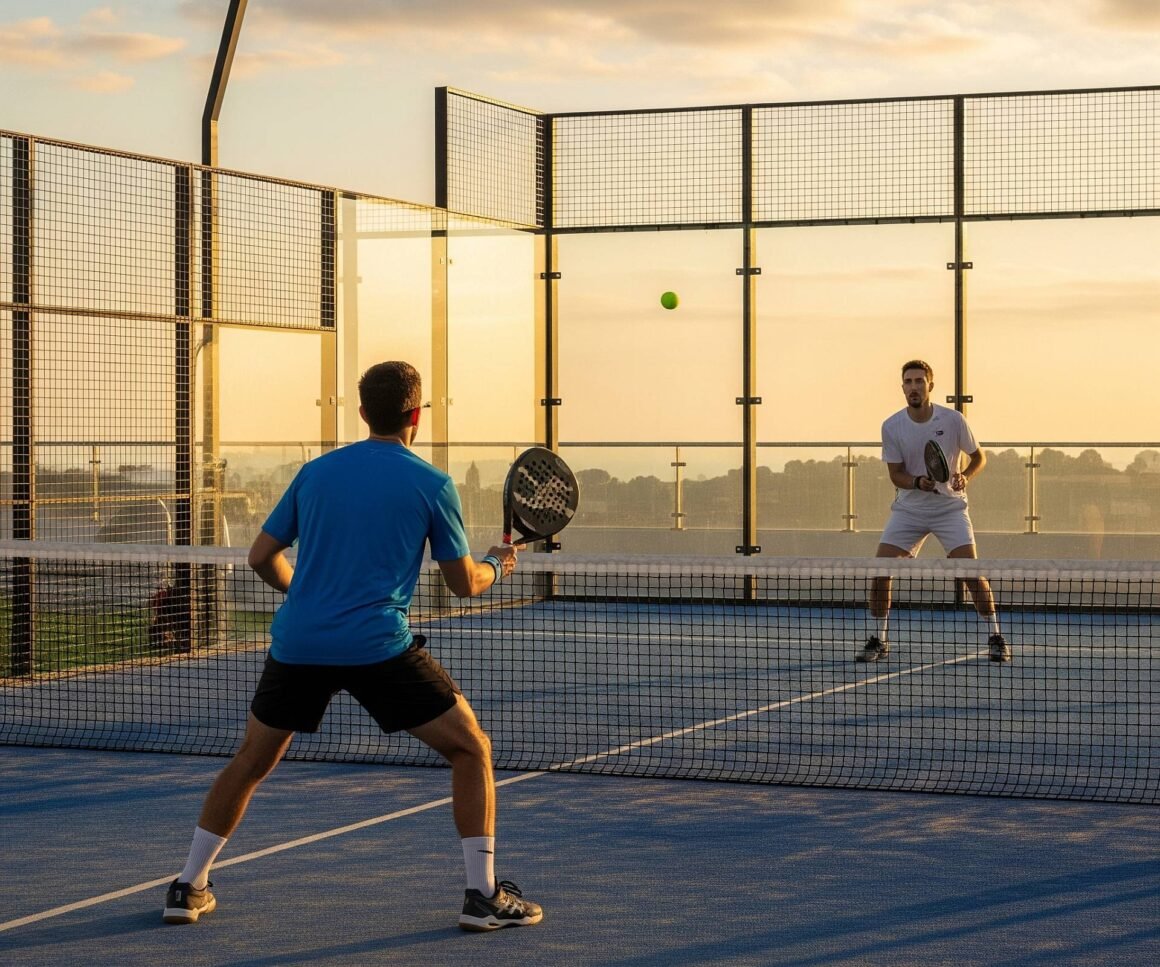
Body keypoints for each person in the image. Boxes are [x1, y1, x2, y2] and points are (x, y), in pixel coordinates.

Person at [163, 361, 543, 932]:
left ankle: (188, 886)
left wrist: (309, 597)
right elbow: (464, 583)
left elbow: (260, 557)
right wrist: (498, 563)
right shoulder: (433, 484)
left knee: (252, 761)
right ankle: (483, 894)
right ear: (417, 416)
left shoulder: (315, 474)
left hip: (299, 643)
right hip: (377, 648)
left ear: (363, 413)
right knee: (470, 750)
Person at [858, 359, 1011, 664]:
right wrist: (917, 481)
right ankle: (879, 639)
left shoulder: (953, 420)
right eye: (908, 382)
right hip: (909, 510)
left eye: (919, 381)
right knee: (880, 572)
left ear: (929, 385)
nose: (913, 387)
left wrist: (966, 475)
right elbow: (895, 474)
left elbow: (979, 457)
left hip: (949, 508)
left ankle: (995, 636)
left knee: (971, 573)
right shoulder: (892, 426)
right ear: (902, 387)